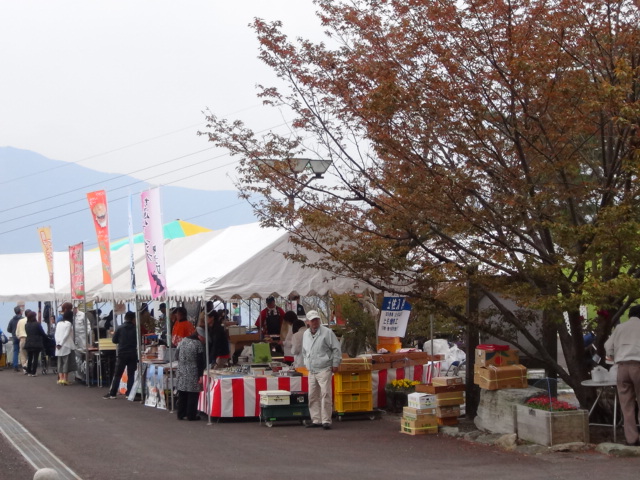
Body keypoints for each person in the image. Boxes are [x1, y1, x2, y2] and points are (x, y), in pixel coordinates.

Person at [605, 304, 640, 446]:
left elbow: (608, 346)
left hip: (622, 367)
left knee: (626, 404)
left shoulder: (620, 328)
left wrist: (612, 357)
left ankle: (631, 438)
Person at [302, 310, 342, 430]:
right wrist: (306, 363)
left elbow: (336, 349)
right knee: (312, 395)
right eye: (312, 320)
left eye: (317, 319)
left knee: (326, 394)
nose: (315, 322)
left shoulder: (327, 332)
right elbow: (304, 351)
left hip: (324, 368)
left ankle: (326, 420)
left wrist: (335, 363)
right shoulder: (306, 334)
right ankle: (316, 419)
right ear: (308, 322)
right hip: (312, 369)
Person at [104, 311, 138, 399]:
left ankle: (112, 393)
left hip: (122, 353)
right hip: (133, 353)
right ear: (134, 319)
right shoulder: (136, 328)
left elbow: (114, 340)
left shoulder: (120, 328)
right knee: (131, 374)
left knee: (118, 374)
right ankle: (129, 393)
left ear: (125, 318)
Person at [176, 331, 205, 421]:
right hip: (193, 370)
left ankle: (180, 413)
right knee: (193, 394)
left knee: (182, 392)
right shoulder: (198, 344)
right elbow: (200, 361)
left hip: (181, 369)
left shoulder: (183, 340)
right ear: (199, 336)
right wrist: (201, 375)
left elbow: (176, 355)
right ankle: (191, 415)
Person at [54, 311, 76, 385]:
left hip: (58, 346)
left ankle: (60, 378)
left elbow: (56, 334)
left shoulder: (59, 323)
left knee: (60, 362)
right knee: (66, 362)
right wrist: (61, 343)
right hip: (66, 345)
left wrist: (58, 343)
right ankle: (65, 379)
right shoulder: (69, 324)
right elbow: (66, 335)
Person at [24, 310, 47, 377]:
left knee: (30, 357)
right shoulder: (37, 324)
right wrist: (47, 338)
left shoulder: (26, 325)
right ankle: (33, 372)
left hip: (28, 342)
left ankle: (29, 371)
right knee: (36, 357)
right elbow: (42, 333)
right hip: (37, 343)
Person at [7, 305, 23, 371]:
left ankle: (15, 365)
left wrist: (13, 332)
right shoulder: (23, 319)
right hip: (22, 336)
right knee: (24, 351)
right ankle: (25, 364)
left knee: (15, 351)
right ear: (20, 311)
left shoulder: (12, 320)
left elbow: (8, 329)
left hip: (14, 337)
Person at [16, 309, 29, 373]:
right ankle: (26, 365)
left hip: (22, 338)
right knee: (31, 354)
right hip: (29, 339)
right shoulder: (30, 320)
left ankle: (24, 369)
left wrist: (19, 337)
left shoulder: (20, 321)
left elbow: (17, 332)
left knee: (23, 355)